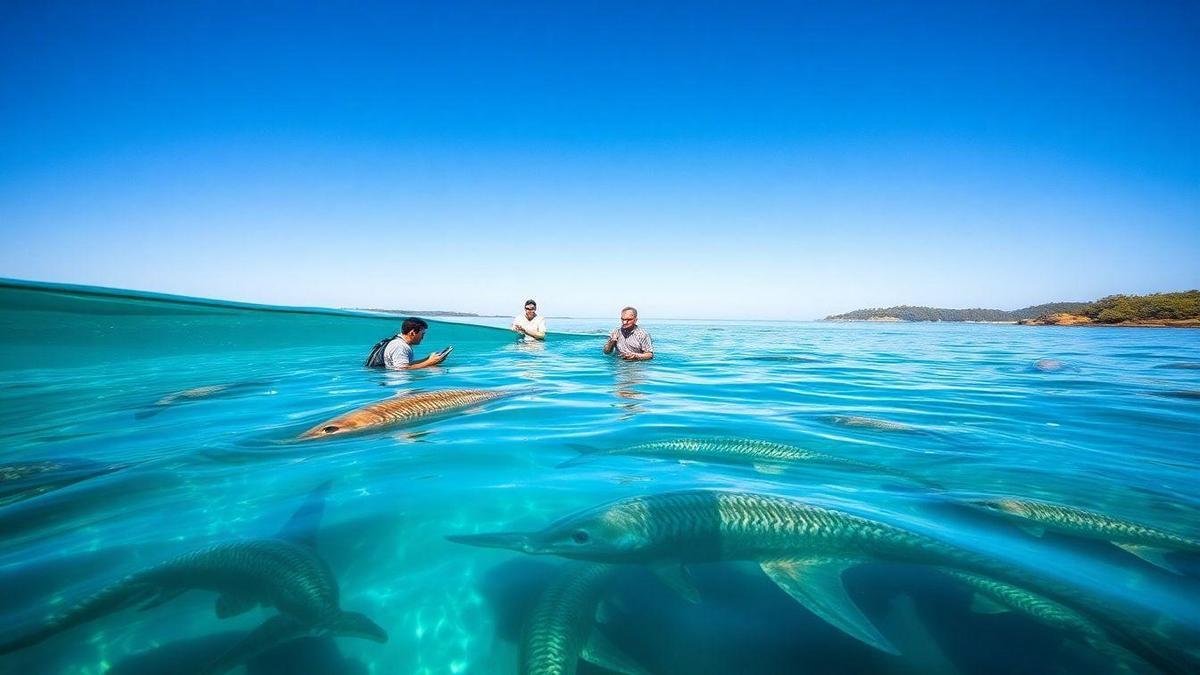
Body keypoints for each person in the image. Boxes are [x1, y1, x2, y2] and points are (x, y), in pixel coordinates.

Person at [364, 317, 451, 370]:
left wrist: (428, 359)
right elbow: (402, 370)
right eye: (422, 334)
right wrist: (430, 362)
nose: (423, 337)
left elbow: (405, 365)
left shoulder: (397, 341)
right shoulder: (400, 346)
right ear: (412, 333)